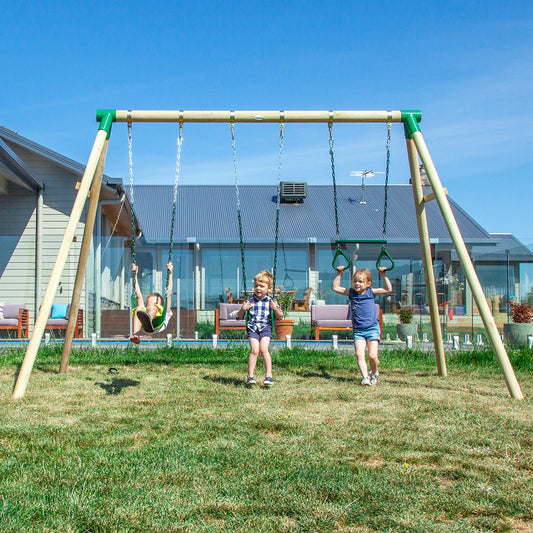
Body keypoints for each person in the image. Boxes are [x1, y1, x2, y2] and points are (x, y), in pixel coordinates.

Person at [332, 265, 392, 386]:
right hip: (358, 330)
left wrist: (384, 275)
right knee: (359, 354)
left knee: (372, 356)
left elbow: (388, 289)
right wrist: (340, 274)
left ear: (368, 283)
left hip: (372, 328)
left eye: (360, 281)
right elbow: (335, 287)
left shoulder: (371, 292)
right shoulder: (352, 293)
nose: (357, 284)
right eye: (355, 281)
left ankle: (374, 373)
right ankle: (365, 377)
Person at [234, 270, 283, 387]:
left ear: (269, 288)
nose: (258, 288)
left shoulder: (271, 301)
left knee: (264, 350)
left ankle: (269, 376)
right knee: (255, 350)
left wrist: (275, 309)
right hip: (253, 328)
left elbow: (280, 317)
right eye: (256, 286)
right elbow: (238, 317)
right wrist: (243, 309)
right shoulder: (249, 301)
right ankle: (250, 376)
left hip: (266, 328)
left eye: (262, 286)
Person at [130, 262, 173, 344]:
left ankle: (148, 319)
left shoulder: (165, 311)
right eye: (148, 304)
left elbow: (169, 294)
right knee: (139, 308)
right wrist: (134, 275)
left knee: (152, 308)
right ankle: (136, 335)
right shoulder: (146, 309)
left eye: (156, 304)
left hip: (158, 324)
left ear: (161, 306)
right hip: (143, 326)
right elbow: (138, 295)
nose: (150, 306)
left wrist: (170, 274)